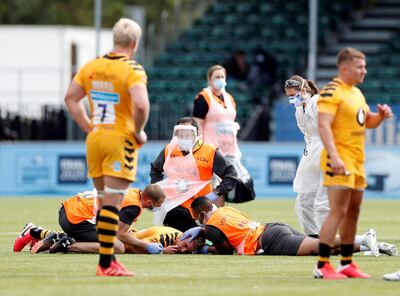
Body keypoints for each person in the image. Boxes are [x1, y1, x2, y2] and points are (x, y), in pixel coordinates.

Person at [64, 18, 150, 276]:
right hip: (118, 139)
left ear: (115, 40)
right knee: (113, 203)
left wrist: (89, 126)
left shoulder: (92, 66)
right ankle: (106, 264)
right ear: (134, 44)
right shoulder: (132, 69)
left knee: (102, 202)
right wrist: (138, 131)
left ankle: (107, 262)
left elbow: (71, 98)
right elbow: (142, 105)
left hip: (96, 139)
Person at [315, 47, 393, 279]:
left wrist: (380, 117)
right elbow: (323, 125)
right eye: (360, 67)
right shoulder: (331, 91)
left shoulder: (356, 93)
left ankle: (346, 263)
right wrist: (335, 156)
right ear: (344, 68)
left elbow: (366, 121)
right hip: (338, 159)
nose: (364, 71)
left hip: (357, 160)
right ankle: (322, 266)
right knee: (337, 211)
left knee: (353, 212)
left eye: (365, 66)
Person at [183, 197, 394, 257]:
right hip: (272, 228)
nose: (199, 223)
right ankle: (368, 246)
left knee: (319, 247)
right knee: (324, 249)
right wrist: (203, 231)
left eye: (197, 219)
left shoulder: (210, 227)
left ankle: (363, 237)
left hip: (268, 240)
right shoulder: (225, 210)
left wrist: (205, 249)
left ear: (202, 214)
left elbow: (226, 249)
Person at [13, 185, 166, 255]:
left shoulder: (132, 192)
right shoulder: (133, 206)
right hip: (76, 220)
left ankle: (38, 232)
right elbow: (121, 234)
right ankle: (67, 245)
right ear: (149, 203)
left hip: (67, 211)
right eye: (157, 205)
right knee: (118, 247)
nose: (157, 208)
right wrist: (146, 245)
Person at [150, 117, 237, 232]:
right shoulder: (169, 149)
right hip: (175, 206)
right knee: (180, 233)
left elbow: (231, 174)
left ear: (196, 134)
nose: (183, 137)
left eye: (187, 133)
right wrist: (158, 190)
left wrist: (216, 193)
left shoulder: (209, 151)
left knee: (219, 233)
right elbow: (155, 170)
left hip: (201, 207)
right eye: (180, 134)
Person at [192, 65, 255, 204]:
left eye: (222, 77)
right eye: (216, 77)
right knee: (213, 184)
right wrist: (200, 145)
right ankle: (210, 214)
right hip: (212, 147)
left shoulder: (230, 98)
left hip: (230, 148)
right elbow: (198, 124)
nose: (220, 80)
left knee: (230, 181)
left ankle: (221, 215)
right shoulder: (203, 98)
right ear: (209, 80)